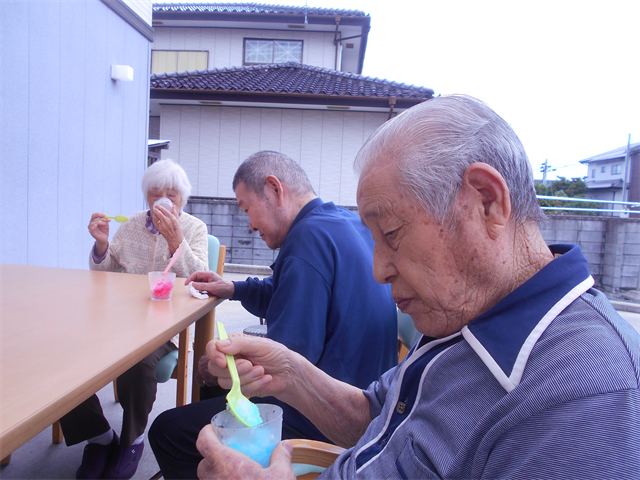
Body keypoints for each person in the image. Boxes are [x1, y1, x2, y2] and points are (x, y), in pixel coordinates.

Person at [195, 95, 640, 480]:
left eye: (390, 233)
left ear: (486, 200)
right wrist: (292, 374)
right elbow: (379, 417)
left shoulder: (587, 396)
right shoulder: (469, 313)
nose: (378, 270)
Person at [149, 151, 398, 480]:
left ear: (274, 189)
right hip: (367, 398)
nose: (250, 225)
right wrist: (232, 288)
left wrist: (219, 366)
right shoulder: (342, 223)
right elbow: (288, 290)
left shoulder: (305, 243)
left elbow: (286, 360)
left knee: (167, 430)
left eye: (247, 208)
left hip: (326, 415)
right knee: (211, 390)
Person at [60, 159, 208, 480]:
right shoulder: (131, 226)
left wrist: (175, 241)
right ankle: (99, 437)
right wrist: (101, 244)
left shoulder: (195, 229)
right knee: (63, 354)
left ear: (183, 199)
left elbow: (200, 279)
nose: (163, 201)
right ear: (146, 198)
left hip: (164, 326)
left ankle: (133, 438)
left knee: (137, 363)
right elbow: (105, 273)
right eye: (155, 195)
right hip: (119, 319)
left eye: (171, 194)